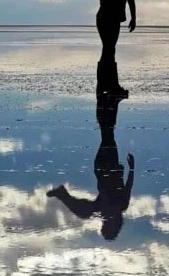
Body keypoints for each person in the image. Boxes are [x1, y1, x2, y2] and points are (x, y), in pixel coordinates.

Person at [47, 95, 134, 240]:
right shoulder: (121, 205)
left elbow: (97, 202)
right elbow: (128, 186)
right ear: (115, 225)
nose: (105, 222)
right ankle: (112, 103)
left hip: (101, 169)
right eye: (107, 225)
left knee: (107, 132)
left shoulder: (105, 210)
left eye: (104, 225)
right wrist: (132, 169)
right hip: (111, 166)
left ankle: (111, 103)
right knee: (107, 132)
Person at [51, 0, 136, 97]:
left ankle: (107, 85)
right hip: (105, 17)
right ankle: (109, 86)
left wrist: (134, 18)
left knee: (109, 50)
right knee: (109, 49)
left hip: (112, 18)